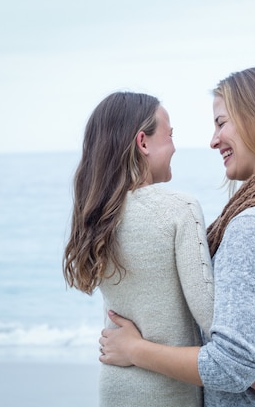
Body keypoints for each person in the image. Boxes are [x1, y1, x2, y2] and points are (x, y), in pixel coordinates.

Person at [99, 66, 255, 406]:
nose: (213, 140)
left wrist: (135, 349)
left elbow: (233, 367)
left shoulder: (253, 228)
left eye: (221, 123)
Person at [62, 92, 215, 406]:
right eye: (169, 135)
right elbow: (211, 315)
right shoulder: (179, 208)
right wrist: (254, 366)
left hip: (115, 387)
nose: (174, 146)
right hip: (168, 393)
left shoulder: (96, 216)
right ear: (142, 142)